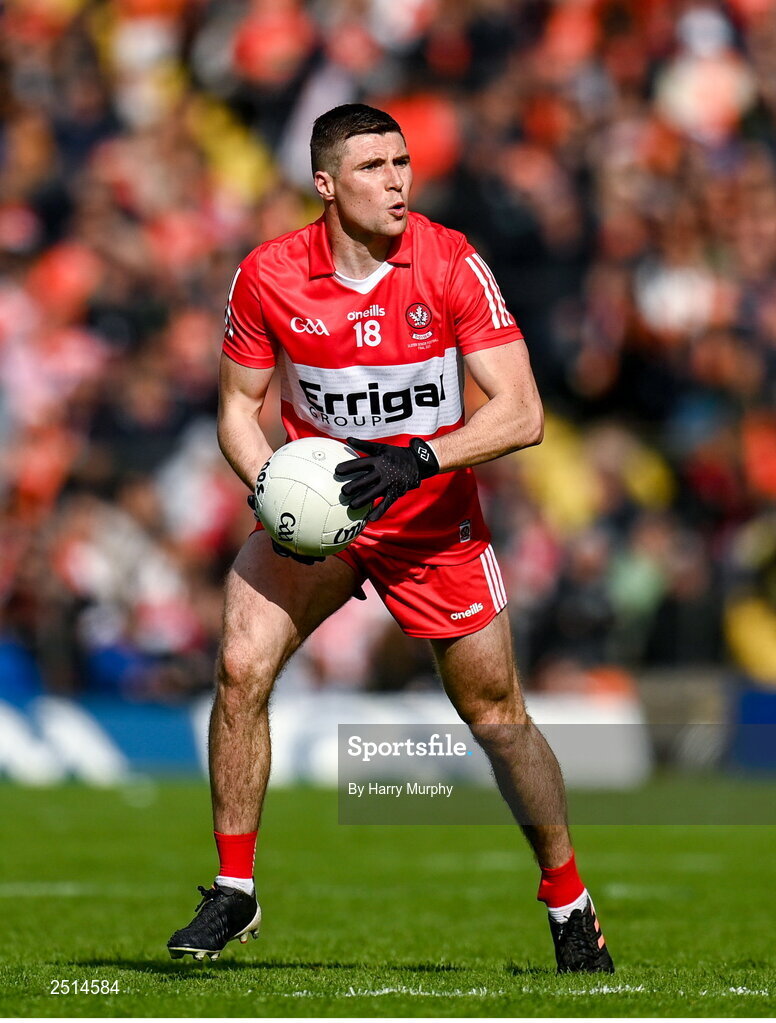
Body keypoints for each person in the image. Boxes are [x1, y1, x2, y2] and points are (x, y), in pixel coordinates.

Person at [166, 104, 614, 974]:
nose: (398, 180)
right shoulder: (267, 274)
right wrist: (272, 493)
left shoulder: (449, 261)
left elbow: (523, 413)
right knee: (238, 663)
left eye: (402, 161)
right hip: (324, 518)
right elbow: (235, 408)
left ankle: (568, 897)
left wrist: (419, 460)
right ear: (325, 186)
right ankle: (234, 887)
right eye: (373, 166)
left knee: (496, 715)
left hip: (429, 523)